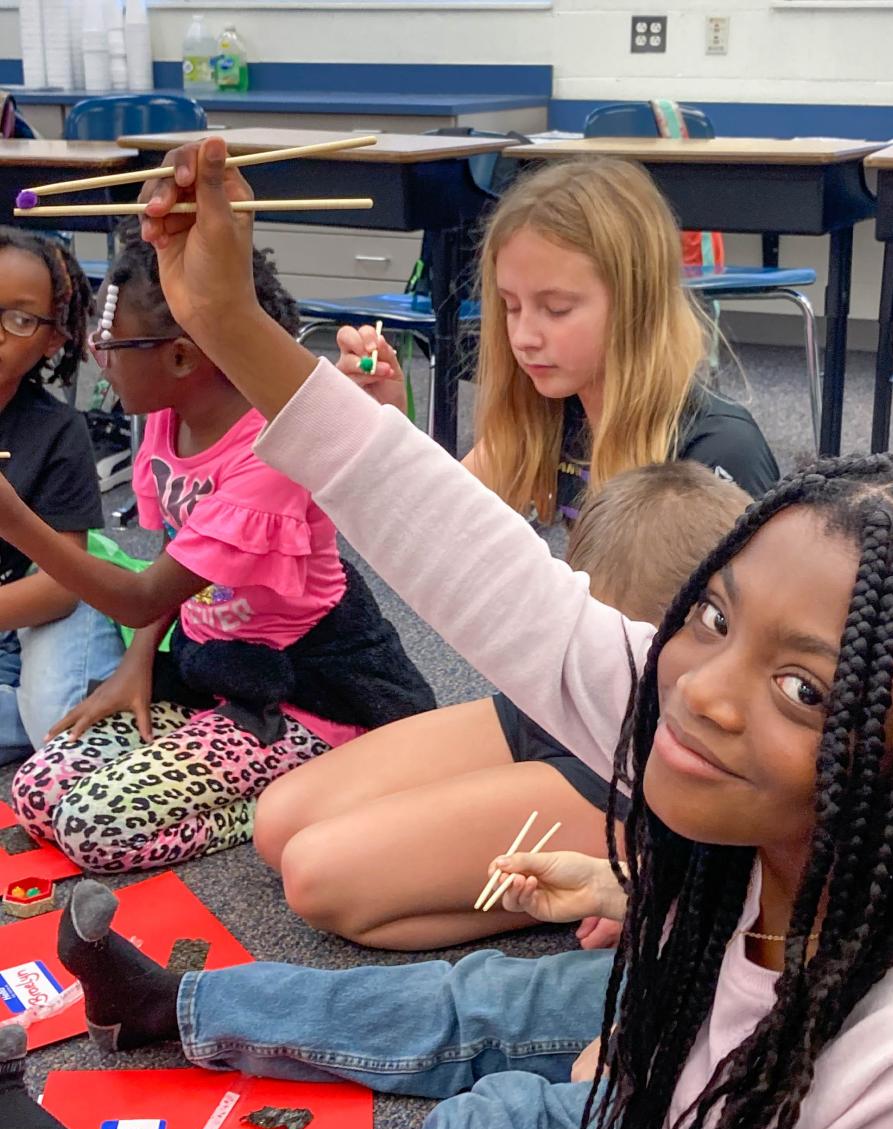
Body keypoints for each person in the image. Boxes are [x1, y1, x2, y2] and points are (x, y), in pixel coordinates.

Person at [4, 447, 893, 1129]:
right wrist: (626, 893)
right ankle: (175, 1005)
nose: (704, 687)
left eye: (806, 688)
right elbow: (499, 583)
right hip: (689, 1026)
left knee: (493, 1125)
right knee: (491, 996)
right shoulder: (785, 844)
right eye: (711, 616)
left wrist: (653, 1086)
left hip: (699, 1101)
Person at [4, 229, 434, 873]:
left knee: (94, 827)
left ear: (180, 358)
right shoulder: (164, 417)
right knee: (36, 791)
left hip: (305, 693)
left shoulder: (271, 452)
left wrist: (14, 521)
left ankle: (318, 779)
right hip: (212, 670)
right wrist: (135, 666)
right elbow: (172, 564)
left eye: (111, 345)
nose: (99, 358)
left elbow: (141, 593)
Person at [255, 462, 749, 949]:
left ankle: (618, 873)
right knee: (276, 823)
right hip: (548, 709)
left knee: (313, 877)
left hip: (622, 777)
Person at [336, 156, 779, 520]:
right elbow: (434, 524)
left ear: (636, 304)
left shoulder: (716, 450)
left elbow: (748, 621)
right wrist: (385, 425)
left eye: (557, 309)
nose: (523, 337)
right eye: (511, 306)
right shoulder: (552, 410)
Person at [0, 227, 124, 761]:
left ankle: (65, 710)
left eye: (20, 319)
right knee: (49, 726)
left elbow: (59, 588)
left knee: (57, 725)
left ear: (54, 338)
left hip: (33, 618)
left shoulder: (57, 431)